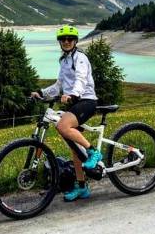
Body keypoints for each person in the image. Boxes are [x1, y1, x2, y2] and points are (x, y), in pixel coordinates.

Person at [31, 25, 100, 202]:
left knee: (62, 125)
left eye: (70, 39)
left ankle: (93, 153)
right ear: (60, 42)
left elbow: (81, 79)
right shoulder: (63, 61)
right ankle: (82, 186)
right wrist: (41, 93)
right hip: (74, 102)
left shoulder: (80, 58)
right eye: (63, 39)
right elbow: (58, 86)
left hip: (86, 100)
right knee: (74, 148)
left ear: (75, 41)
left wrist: (74, 94)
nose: (67, 42)